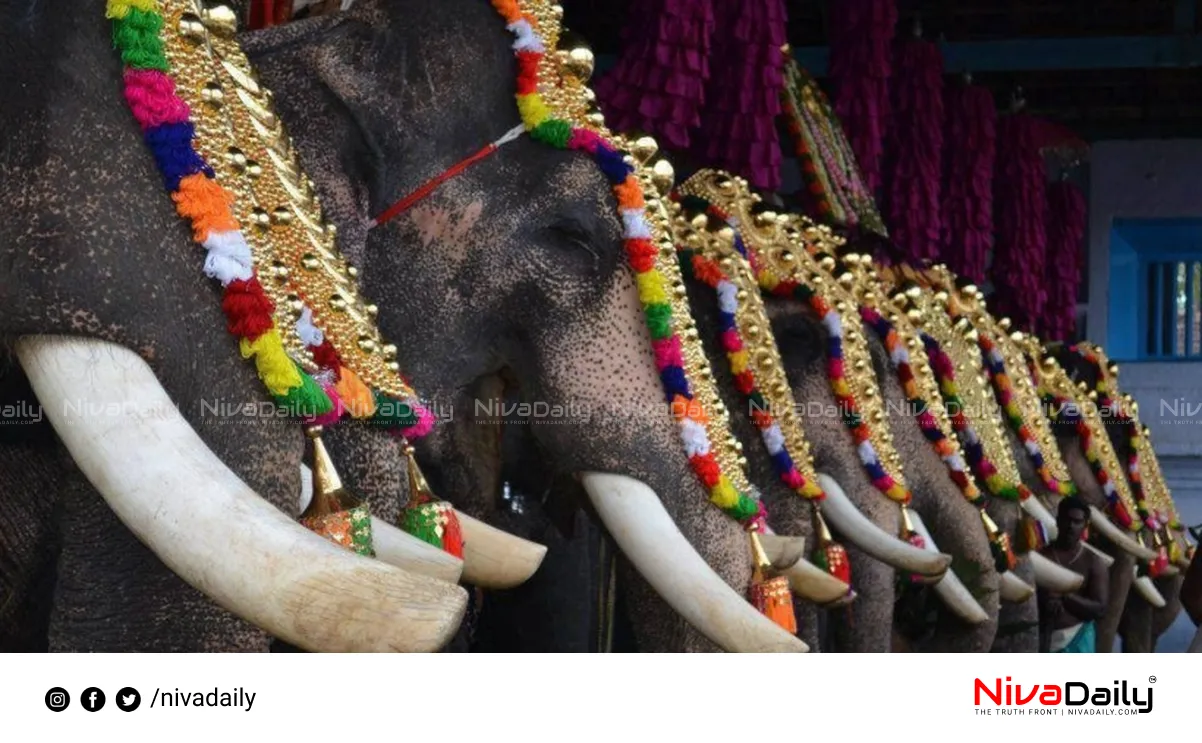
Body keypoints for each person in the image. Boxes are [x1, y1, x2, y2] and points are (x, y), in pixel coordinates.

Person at [1037, 496, 1109, 652]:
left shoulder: (1093, 562)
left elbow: (1100, 608)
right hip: (1040, 638)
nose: (1071, 526)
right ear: (1057, 520)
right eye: (1067, 520)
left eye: (1077, 522)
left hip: (1077, 640)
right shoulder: (1041, 556)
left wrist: (1064, 597)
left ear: (1085, 526)